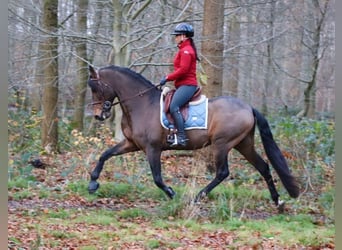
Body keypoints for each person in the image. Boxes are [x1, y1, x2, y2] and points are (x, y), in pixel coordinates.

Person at [159, 22, 200, 147]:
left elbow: (183, 70)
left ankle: (182, 137)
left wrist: (167, 78)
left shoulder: (187, 51)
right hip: (182, 85)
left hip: (188, 85)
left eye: (176, 35)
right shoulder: (183, 49)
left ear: (183, 36)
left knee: (174, 106)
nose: (175, 38)